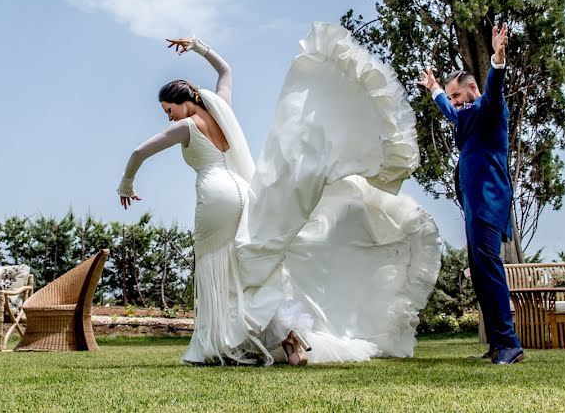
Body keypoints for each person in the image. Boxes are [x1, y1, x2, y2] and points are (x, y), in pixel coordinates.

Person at [118, 23, 442, 366]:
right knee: (249, 268)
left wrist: (127, 182)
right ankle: (288, 337)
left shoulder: (185, 126)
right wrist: (197, 46)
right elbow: (225, 70)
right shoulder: (221, 111)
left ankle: (216, 342)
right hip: (244, 192)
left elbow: (140, 151)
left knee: (219, 272)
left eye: (169, 108)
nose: (168, 116)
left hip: (214, 197)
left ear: (183, 101)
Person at [417, 23, 524, 365]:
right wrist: (434, 89)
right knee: (479, 274)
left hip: (489, 204)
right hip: (473, 206)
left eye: (457, 95)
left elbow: (494, 90)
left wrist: (498, 58)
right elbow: (449, 112)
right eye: (451, 98)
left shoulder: (490, 109)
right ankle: (496, 344)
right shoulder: (464, 116)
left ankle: (510, 345)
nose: (454, 103)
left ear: (472, 89)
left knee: (490, 270)